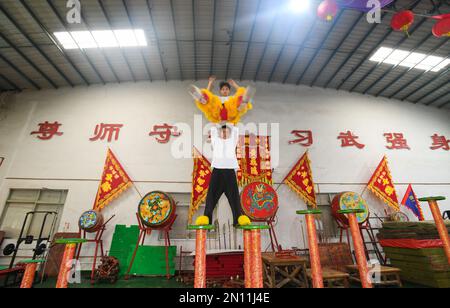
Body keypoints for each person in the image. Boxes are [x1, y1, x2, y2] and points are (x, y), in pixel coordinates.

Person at [195, 124, 250, 227]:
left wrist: (230, 120)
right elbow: (214, 126)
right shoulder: (216, 140)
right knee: (211, 196)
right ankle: (207, 217)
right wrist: (218, 117)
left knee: (234, 197)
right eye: (222, 132)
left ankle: (238, 218)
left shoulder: (232, 140)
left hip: (230, 172)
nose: (224, 133)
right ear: (219, 133)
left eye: (226, 132)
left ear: (230, 133)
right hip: (217, 171)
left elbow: (235, 128)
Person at [189, 76, 255, 125]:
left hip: (230, 114)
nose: (225, 91)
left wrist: (234, 84)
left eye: (226, 89)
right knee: (211, 100)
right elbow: (208, 93)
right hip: (218, 114)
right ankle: (201, 97)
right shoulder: (217, 98)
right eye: (223, 89)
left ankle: (243, 102)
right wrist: (210, 82)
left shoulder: (231, 98)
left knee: (238, 98)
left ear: (229, 91)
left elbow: (239, 92)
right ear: (220, 91)